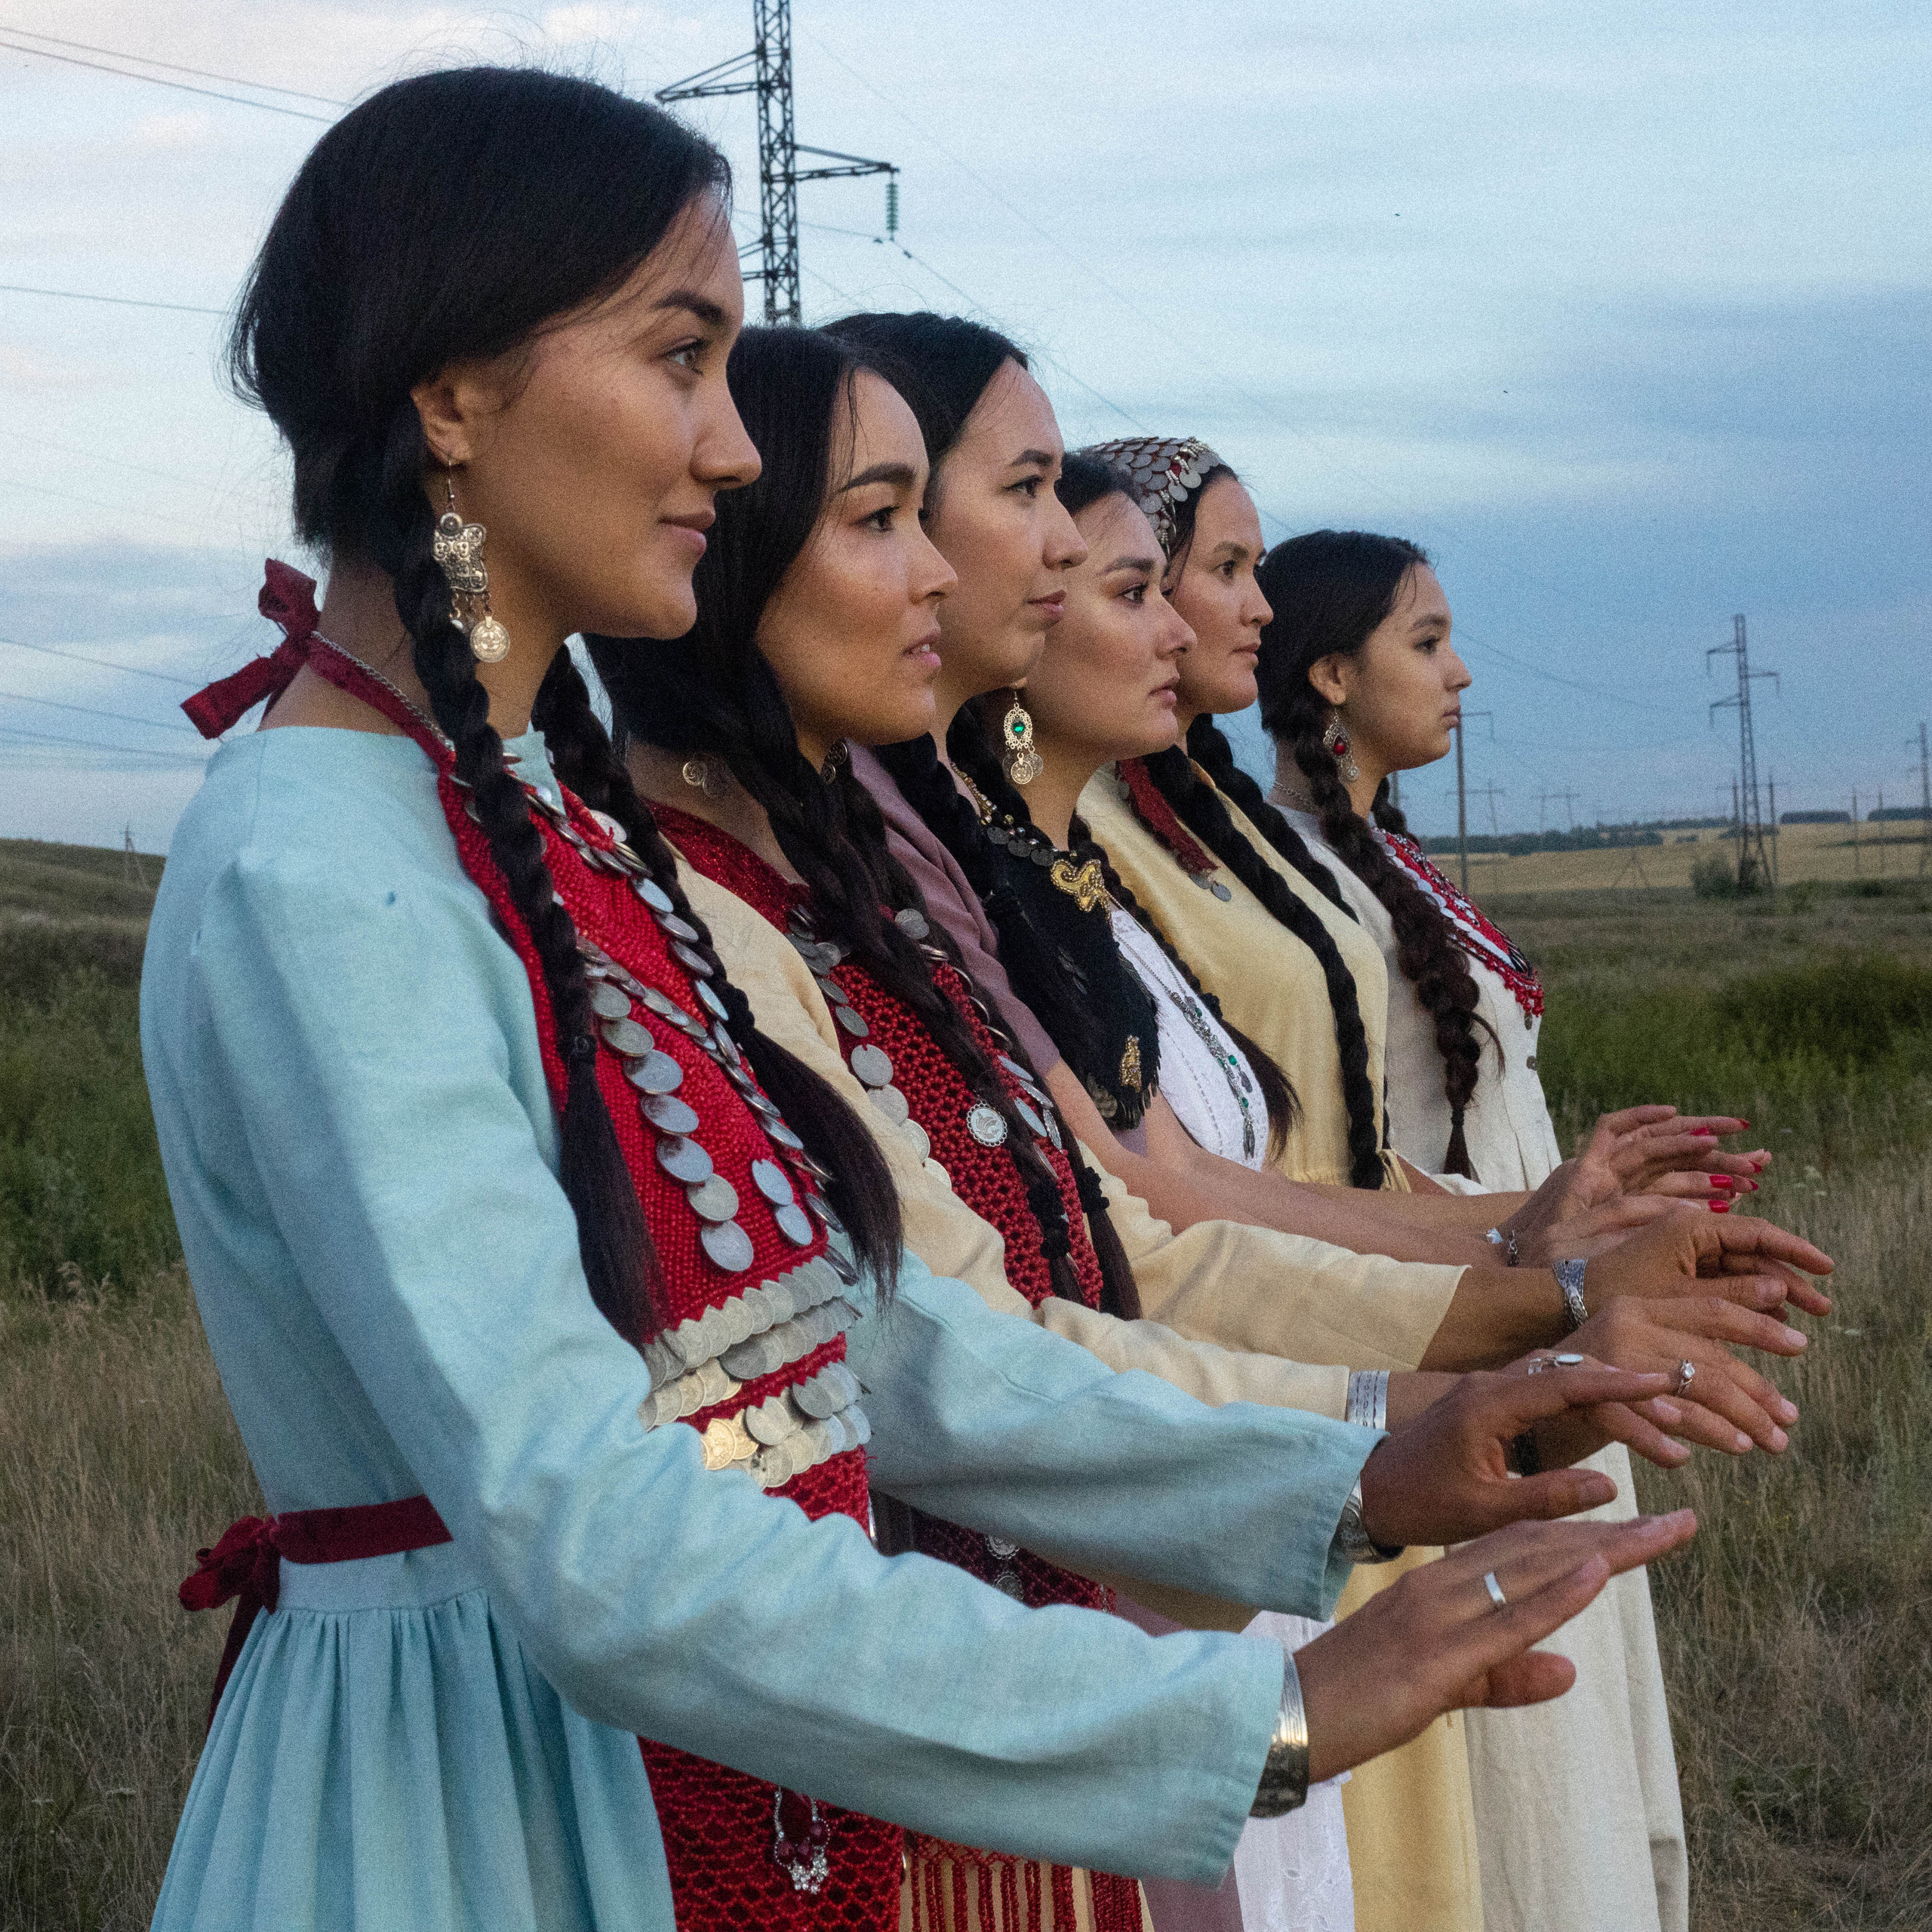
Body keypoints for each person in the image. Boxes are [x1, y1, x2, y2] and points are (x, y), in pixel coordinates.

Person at [140, 69, 1704, 1932]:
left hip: (691, 1757)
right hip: (481, 1809)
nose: (731, 450)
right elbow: (586, 1519)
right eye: (682, 356)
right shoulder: (319, 862)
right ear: (453, 392)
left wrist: (1344, 1470)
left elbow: (848, 1346)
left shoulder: (524, 823)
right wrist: (1250, 1707)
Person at [586, 322, 1821, 1932]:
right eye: (1004, 501)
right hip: (966, 1671)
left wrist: (1508, 1308)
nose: (1060, 562)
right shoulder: (714, 904)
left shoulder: (881, 881)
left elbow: (1113, 1245)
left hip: (1086, 1600)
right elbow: (994, 1315)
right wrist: (1424, 1389)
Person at [1252, 531, 1726, 1932]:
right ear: (1330, 675)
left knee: (1574, 1676)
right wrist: (1536, 1253)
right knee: (1512, 1705)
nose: (1461, 674)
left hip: (1538, 1294)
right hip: (1457, 1320)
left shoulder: (1381, 854)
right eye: (1426, 641)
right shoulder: (1293, 889)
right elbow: (1343, 1176)